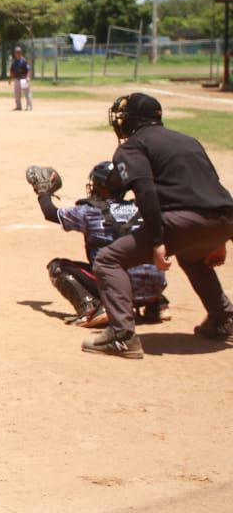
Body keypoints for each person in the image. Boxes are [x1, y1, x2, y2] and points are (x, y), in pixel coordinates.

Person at [85, 93, 233, 359]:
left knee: (108, 260)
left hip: (185, 220)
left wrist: (156, 242)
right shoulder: (188, 140)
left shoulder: (132, 147)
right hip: (226, 218)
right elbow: (212, 188)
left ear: (133, 120)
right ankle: (224, 318)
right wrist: (219, 238)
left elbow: (146, 192)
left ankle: (121, 336)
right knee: (191, 256)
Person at [30, 161, 168, 328]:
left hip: (118, 287)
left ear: (100, 187)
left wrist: (43, 191)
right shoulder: (142, 207)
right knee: (139, 260)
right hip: (154, 287)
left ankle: (92, 307)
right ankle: (157, 305)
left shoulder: (90, 212)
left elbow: (51, 213)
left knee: (57, 268)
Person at [9, 46, 33, 111]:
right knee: (17, 94)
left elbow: (28, 70)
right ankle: (18, 106)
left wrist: (28, 77)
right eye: (16, 52)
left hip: (23, 79)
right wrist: (10, 79)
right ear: (14, 53)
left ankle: (28, 106)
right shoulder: (14, 61)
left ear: (21, 52)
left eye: (19, 52)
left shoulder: (24, 61)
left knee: (26, 93)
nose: (17, 53)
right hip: (16, 79)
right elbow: (12, 71)